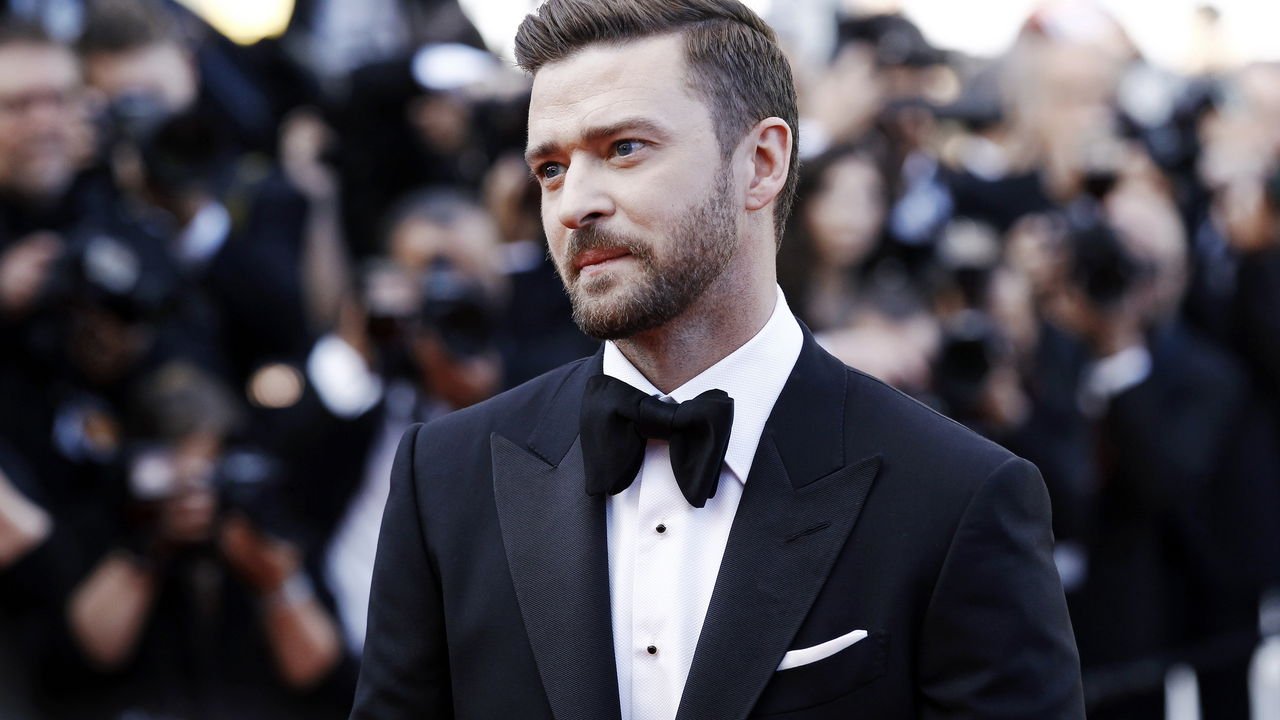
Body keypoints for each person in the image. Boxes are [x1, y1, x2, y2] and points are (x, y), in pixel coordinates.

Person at [351, 1, 1084, 718]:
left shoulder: (954, 497)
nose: (574, 204)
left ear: (761, 164)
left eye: (624, 148)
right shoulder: (445, 478)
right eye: (550, 168)